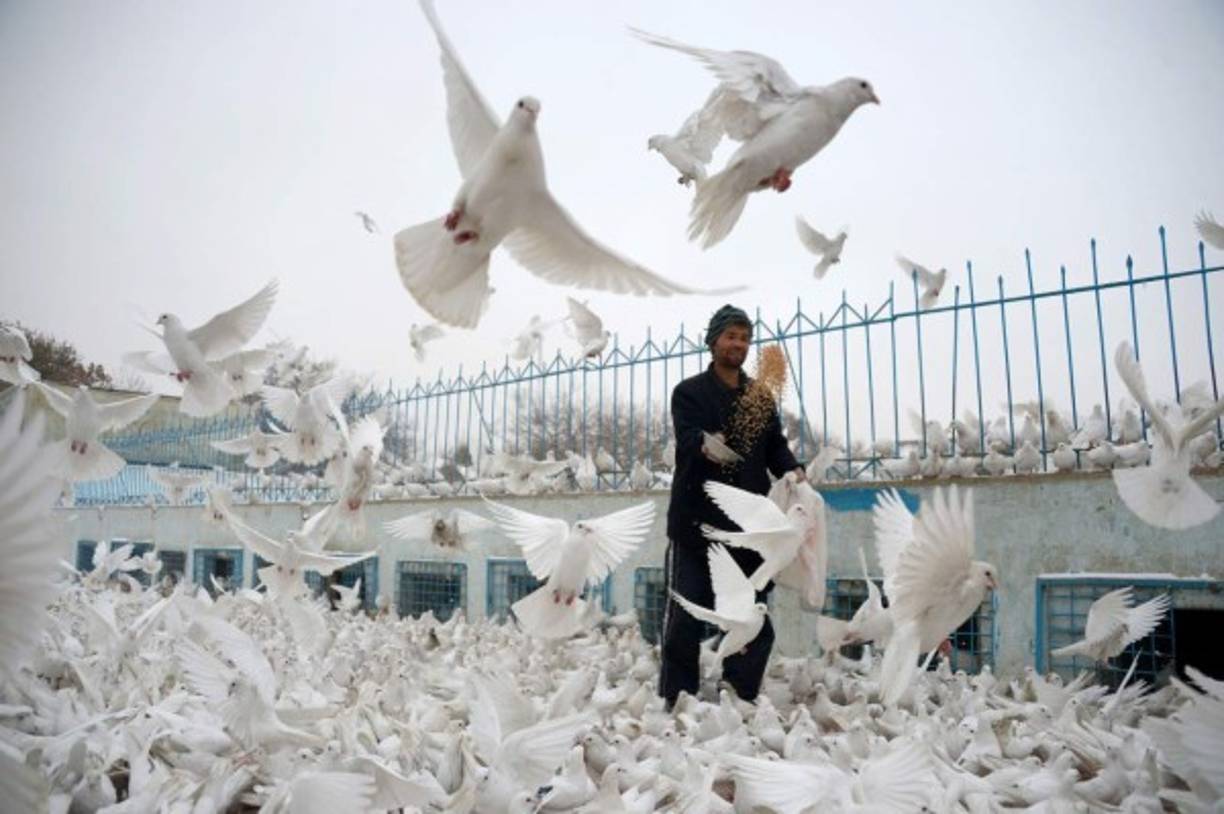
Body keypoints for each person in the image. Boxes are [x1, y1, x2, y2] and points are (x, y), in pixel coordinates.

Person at [658, 304, 805, 709]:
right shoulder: (689, 392)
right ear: (713, 341)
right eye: (730, 336)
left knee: (751, 614)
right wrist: (706, 443)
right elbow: (686, 438)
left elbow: (774, 444)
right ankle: (678, 695)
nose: (738, 344)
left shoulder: (759, 395)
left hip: (747, 525)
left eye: (744, 337)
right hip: (695, 520)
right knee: (685, 613)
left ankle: (739, 692)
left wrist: (792, 469)